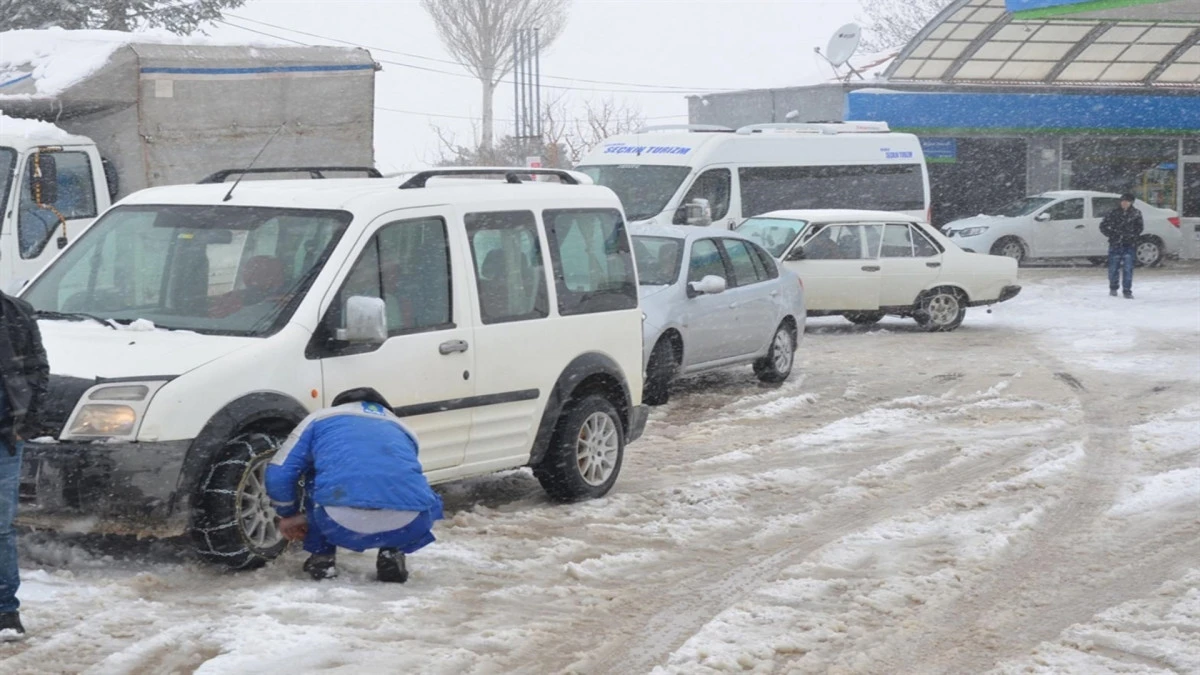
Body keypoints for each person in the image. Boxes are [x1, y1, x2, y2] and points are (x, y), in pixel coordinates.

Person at [265, 388, 443, 582]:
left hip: (336, 523)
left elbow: (279, 473)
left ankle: (322, 557)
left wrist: (288, 513)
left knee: (318, 475)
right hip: (408, 525)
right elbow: (403, 479)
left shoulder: (320, 418)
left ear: (339, 404)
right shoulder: (402, 428)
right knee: (409, 490)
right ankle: (392, 553)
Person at [0, 291, 49, 640]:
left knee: (0, 528)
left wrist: (25, 421)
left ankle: (5, 611)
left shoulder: (15, 311)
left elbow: (36, 369)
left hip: (3, 435)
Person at [1099, 193, 1144, 299]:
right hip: (1115, 244)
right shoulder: (1113, 213)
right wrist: (1112, 234)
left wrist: (1132, 236)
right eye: (1122, 201)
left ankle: (1127, 290)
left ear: (1131, 203)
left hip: (1129, 245)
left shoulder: (1136, 213)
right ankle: (1113, 288)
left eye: (1127, 201)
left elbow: (1139, 228)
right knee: (1113, 268)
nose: (1124, 203)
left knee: (1128, 269)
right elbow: (1103, 226)